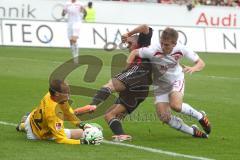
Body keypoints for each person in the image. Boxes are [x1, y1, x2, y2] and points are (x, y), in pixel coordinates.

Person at [127, 27, 211, 138]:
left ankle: (200, 116)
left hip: (176, 79)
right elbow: (134, 52)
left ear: (174, 44)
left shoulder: (182, 49)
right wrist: (127, 69)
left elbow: (201, 63)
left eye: (166, 45)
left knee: (176, 105)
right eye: (162, 43)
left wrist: (194, 68)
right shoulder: (153, 49)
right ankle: (193, 131)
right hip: (161, 85)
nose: (163, 46)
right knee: (164, 117)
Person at [75, 24, 153, 142]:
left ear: (139, 41)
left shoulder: (144, 44)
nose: (128, 47)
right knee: (110, 114)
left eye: (130, 44)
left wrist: (129, 34)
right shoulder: (139, 53)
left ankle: (92, 105)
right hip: (142, 90)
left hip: (139, 74)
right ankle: (121, 135)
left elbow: (145, 27)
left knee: (109, 85)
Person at [16, 79, 102, 145]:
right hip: (38, 135)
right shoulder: (54, 113)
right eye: (66, 92)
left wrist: (82, 125)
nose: (69, 94)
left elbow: (68, 113)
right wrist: (83, 142)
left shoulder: (53, 96)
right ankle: (24, 126)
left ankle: (23, 125)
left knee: (83, 130)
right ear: (57, 94)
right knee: (79, 133)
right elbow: (61, 139)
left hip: (33, 118)